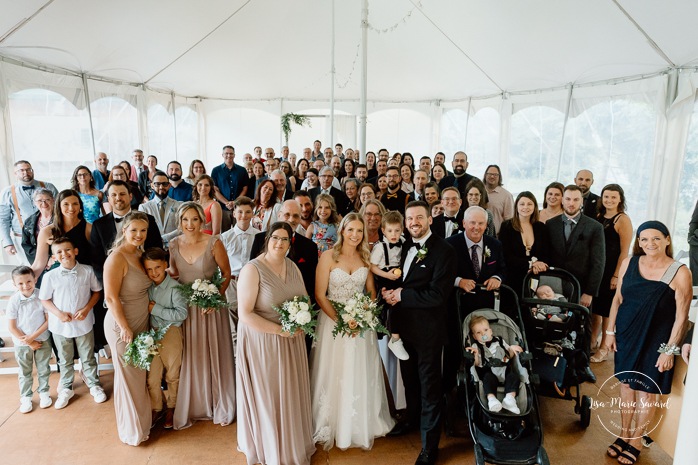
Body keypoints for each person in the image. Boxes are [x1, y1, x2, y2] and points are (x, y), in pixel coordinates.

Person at [604, 221, 692, 465]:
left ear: (666, 240)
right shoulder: (629, 263)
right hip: (627, 334)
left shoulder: (680, 271)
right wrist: (610, 333)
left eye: (655, 238)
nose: (649, 244)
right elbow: (617, 299)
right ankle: (623, 434)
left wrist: (668, 351)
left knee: (646, 393)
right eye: (644, 239)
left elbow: (682, 317)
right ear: (638, 241)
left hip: (657, 341)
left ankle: (636, 440)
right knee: (626, 387)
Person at [311, 213, 395, 450]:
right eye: (351, 230)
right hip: (333, 323)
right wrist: (341, 321)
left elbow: (370, 291)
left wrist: (361, 314)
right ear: (342, 230)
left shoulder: (365, 258)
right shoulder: (328, 256)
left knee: (358, 370)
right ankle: (330, 422)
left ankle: (359, 423)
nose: (355, 235)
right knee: (334, 369)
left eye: (360, 231)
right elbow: (319, 294)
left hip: (360, 324)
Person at [382, 201, 457, 465]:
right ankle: (411, 422)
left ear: (429, 220)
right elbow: (398, 279)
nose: (414, 222)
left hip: (429, 332)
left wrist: (402, 294)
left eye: (419, 218)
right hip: (403, 329)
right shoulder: (403, 246)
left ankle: (429, 446)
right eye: (410, 218)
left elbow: (437, 295)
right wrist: (390, 293)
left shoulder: (444, 251)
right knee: (409, 381)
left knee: (429, 387)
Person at [236, 222, 315, 465]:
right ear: (267, 240)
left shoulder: (292, 266)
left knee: (288, 390)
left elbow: (304, 300)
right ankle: (271, 446)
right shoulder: (253, 269)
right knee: (269, 393)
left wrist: (301, 319)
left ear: (291, 242)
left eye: (284, 239)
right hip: (263, 340)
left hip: (291, 340)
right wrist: (280, 330)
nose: (279, 243)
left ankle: (290, 439)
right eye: (275, 238)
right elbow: (245, 314)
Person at [169, 202, 235, 429]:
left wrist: (214, 298)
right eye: (185, 220)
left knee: (214, 351)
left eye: (194, 219)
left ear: (202, 220)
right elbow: (174, 275)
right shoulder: (173, 245)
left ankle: (219, 400)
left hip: (211, 306)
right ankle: (197, 403)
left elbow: (226, 274)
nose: (190, 224)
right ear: (180, 222)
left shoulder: (214, 242)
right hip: (186, 308)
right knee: (192, 354)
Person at [102, 211, 153, 445]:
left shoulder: (140, 254)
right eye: (134, 230)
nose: (139, 235)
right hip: (122, 324)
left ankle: (142, 421)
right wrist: (125, 327)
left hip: (141, 320)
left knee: (138, 375)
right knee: (129, 376)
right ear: (124, 231)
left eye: (143, 230)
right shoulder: (116, 258)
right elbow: (111, 298)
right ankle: (133, 430)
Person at [546, 185, 605, 383]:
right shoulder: (550, 224)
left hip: (582, 287)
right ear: (562, 200)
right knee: (555, 321)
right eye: (568, 199)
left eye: (575, 200)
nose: (571, 203)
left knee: (583, 326)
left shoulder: (594, 227)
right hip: (556, 285)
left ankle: (583, 364)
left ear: (582, 202)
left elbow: (598, 263)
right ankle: (553, 362)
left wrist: (589, 292)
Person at [39, 237, 105, 409]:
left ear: (75, 251)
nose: (64, 254)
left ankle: (94, 384)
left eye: (67, 250)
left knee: (88, 356)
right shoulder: (50, 276)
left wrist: (86, 308)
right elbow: (45, 299)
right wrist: (59, 314)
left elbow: (97, 292)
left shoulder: (88, 271)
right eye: (59, 252)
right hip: (60, 326)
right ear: (54, 257)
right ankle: (66, 388)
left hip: (84, 323)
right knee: (65, 358)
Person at [141, 247, 188, 430]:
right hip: (152, 333)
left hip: (171, 334)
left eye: (157, 268)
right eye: (149, 270)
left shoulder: (175, 288)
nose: (154, 273)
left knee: (172, 373)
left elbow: (182, 314)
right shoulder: (148, 288)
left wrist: (156, 310)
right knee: (152, 375)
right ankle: (156, 407)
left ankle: (172, 407)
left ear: (165, 265)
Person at [590, 184, 633, 363]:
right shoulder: (599, 216)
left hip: (611, 270)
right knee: (596, 307)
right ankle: (592, 340)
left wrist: (616, 275)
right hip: (598, 268)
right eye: (606, 197)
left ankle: (604, 348)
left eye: (613, 197)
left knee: (608, 310)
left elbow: (625, 251)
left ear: (620, 199)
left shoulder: (622, 219)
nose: (609, 200)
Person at [7, 266, 52, 413]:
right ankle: (26, 397)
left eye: (28, 281)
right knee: (25, 371)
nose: (25, 286)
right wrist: (28, 341)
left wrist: (33, 338)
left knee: (43, 368)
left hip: (42, 339)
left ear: (35, 280)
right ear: (14, 285)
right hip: (21, 343)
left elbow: (48, 320)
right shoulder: (14, 301)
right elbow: (12, 327)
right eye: (20, 283)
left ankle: (44, 392)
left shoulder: (42, 296)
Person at [220, 196, 260, 345]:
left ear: (252, 213)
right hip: (232, 281)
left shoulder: (259, 236)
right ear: (234, 214)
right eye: (240, 212)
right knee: (232, 317)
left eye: (248, 212)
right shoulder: (225, 237)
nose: (244, 216)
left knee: (250, 315)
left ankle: (249, 347)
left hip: (251, 283)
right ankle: (236, 352)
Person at [0, 160, 58, 265]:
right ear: (15, 173)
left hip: (51, 235)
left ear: (32, 170)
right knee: (30, 269)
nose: (26, 173)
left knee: (52, 266)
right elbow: (3, 219)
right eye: (21, 170)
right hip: (22, 238)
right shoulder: (7, 192)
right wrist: (7, 243)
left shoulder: (49, 186)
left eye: (28, 169)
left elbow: (59, 210)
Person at [369, 211, 409, 360]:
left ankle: (402, 332)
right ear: (383, 230)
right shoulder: (380, 247)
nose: (394, 234)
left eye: (397, 230)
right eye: (390, 230)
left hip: (400, 278)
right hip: (385, 279)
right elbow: (372, 267)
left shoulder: (404, 242)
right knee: (394, 304)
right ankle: (395, 339)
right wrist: (387, 275)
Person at [466, 316, 522, 414]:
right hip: (488, 371)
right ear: (474, 336)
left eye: (485, 330)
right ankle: (492, 399)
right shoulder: (476, 346)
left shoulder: (500, 341)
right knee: (487, 379)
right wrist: (475, 354)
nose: (483, 334)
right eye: (478, 332)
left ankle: (509, 399)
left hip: (504, 369)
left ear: (491, 331)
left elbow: (509, 356)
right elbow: (476, 364)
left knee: (514, 377)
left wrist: (512, 349)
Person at [498, 192, 549, 297]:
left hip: (534, 278)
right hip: (511, 279)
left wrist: (539, 264)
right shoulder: (507, 226)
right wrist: (530, 264)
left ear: (535, 206)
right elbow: (505, 256)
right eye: (522, 204)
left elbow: (547, 253)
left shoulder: (541, 227)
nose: (525, 207)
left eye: (529, 204)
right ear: (516, 206)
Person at [138, 172, 182, 249]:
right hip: (153, 250)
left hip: (175, 249)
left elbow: (182, 228)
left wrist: (163, 238)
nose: (161, 187)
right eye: (157, 184)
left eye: (164, 184)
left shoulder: (179, 205)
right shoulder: (144, 207)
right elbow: (142, 229)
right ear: (152, 185)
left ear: (169, 185)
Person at [21, 188, 55, 269]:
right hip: (37, 262)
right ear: (34, 203)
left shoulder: (60, 219)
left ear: (53, 200)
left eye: (47, 199)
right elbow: (26, 244)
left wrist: (52, 258)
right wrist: (42, 260)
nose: (44, 203)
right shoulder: (29, 221)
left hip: (56, 261)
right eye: (40, 200)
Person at [211, 145, 250, 211]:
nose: (229, 155)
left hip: (239, 207)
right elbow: (214, 190)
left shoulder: (242, 170)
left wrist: (235, 202)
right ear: (222, 155)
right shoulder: (216, 170)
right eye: (226, 153)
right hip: (222, 208)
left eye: (231, 153)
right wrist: (227, 203)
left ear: (234, 155)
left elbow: (245, 188)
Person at [482, 165, 514, 234]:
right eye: (490, 174)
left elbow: (509, 220)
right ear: (485, 175)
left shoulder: (507, 196)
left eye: (495, 175)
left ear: (499, 177)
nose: (492, 176)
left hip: (498, 236)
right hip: (478, 235)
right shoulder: (478, 192)